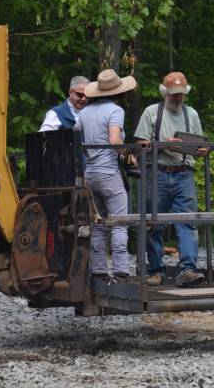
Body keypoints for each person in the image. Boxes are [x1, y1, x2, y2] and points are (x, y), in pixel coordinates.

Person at [134, 71, 207, 287]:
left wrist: (201, 150)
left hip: (184, 172)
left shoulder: (191, 114)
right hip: (157, 173)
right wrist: (165, 144)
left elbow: (202, 145)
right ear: (164, 92)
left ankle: (187, 270)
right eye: (174, 94)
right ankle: (156, 271)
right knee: (152, 223)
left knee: (188, 223)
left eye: (181, 94)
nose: (177, 98)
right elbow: (139, 144)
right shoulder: (151, 112)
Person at [79, 69, 137, 281]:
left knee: (100, 223)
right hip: (109, 173)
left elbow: (78, 139)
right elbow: (114, 141)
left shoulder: (84, 112)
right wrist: (128, 155)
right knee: (119, 222)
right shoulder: (115, 111)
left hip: (90, 174)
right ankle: (121, 271)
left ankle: (98, 271)